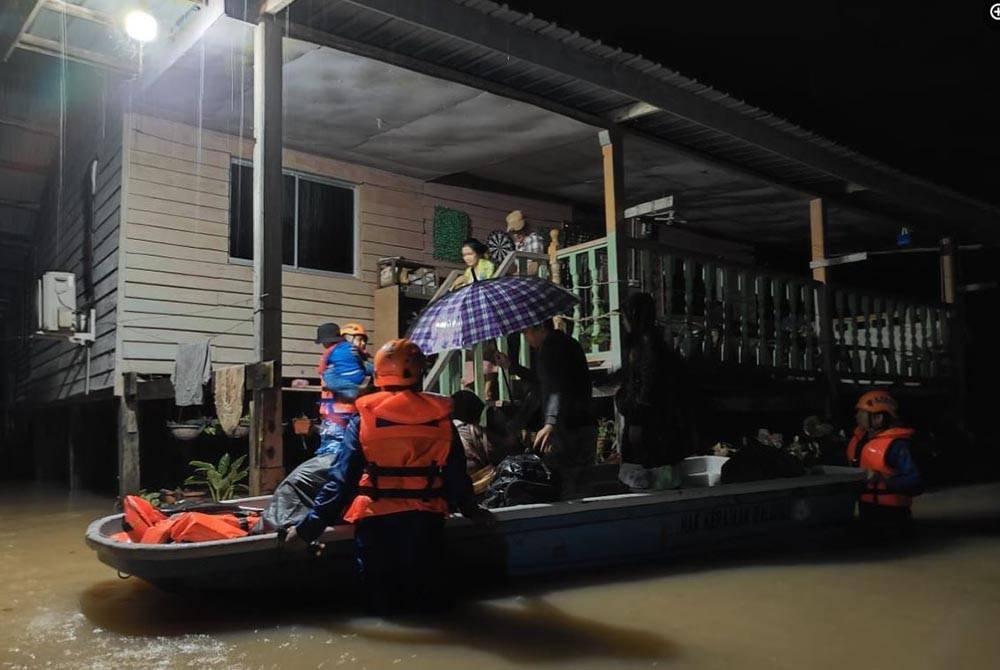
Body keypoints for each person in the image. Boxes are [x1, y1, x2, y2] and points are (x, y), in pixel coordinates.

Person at [285, 338, 495, 614]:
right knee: (426, 601)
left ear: (379, 374)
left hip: (377, 525)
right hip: (425, 523)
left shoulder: (365, 419)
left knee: (383, 605)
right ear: (420, 373)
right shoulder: (441, 418)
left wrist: (306, 531)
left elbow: (341, 482)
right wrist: (473, 510)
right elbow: (456, 479)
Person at [495, 320, 595, 499]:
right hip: (581, 421)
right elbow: (543, 380)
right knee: (580, 482)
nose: (526, 338)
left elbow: (555, 388)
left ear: (541, 328)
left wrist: (550, 423)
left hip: (568, 425)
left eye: (526, 332)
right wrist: (511, 366)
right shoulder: (566, 343)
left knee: (567, 483)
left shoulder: (551, 348)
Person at [615, 293, 699, 471]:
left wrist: (629, 406)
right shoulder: (647, 342)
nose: (624, 322)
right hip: (649, 420)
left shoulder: (648, 346)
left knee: (646, 467)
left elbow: (647, 386)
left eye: (625, 317)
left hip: (649, 423)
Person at [846, 389, 922, 530]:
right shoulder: (858, 442)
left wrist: (882, 480)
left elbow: (916, 482)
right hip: (866, 511)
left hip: (893, 516)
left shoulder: (897, 446)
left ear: (878, 418)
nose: (857, 416)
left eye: (862, 413)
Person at [317, 323, 374, 457]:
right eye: (359, 340)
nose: (363, 344)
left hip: (354, 417)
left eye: (365, 341)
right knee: (333, 458)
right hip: (337, 420)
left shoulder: (358, 360)